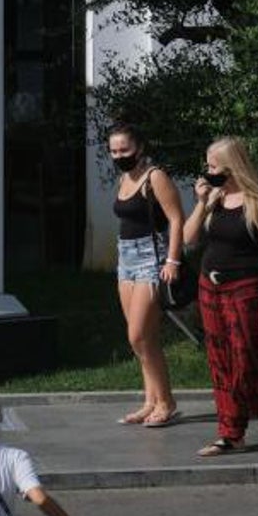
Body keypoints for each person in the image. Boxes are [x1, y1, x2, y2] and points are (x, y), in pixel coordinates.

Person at [183, 137, 258, 458]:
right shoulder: (214, 201)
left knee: (250, 359)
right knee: (220, 361)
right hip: (211, 287)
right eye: (207, 165)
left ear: (232, 167)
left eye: (213, 166)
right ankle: (231, 432)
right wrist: (201, 202)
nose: (208, 171)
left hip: (246, 287)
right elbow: (189, 239)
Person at [109, 123, 185, 428]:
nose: (118, 156)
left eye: (124, 150)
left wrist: (173, 260)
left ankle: (166, 401)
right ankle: (150, 400)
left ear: (139, 147)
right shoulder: (123, 178)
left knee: (138, 334)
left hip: (150, 258)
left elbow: (176, 219)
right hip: (125, 257)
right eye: (113, 151)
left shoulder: (155, 177)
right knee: (142, 339)